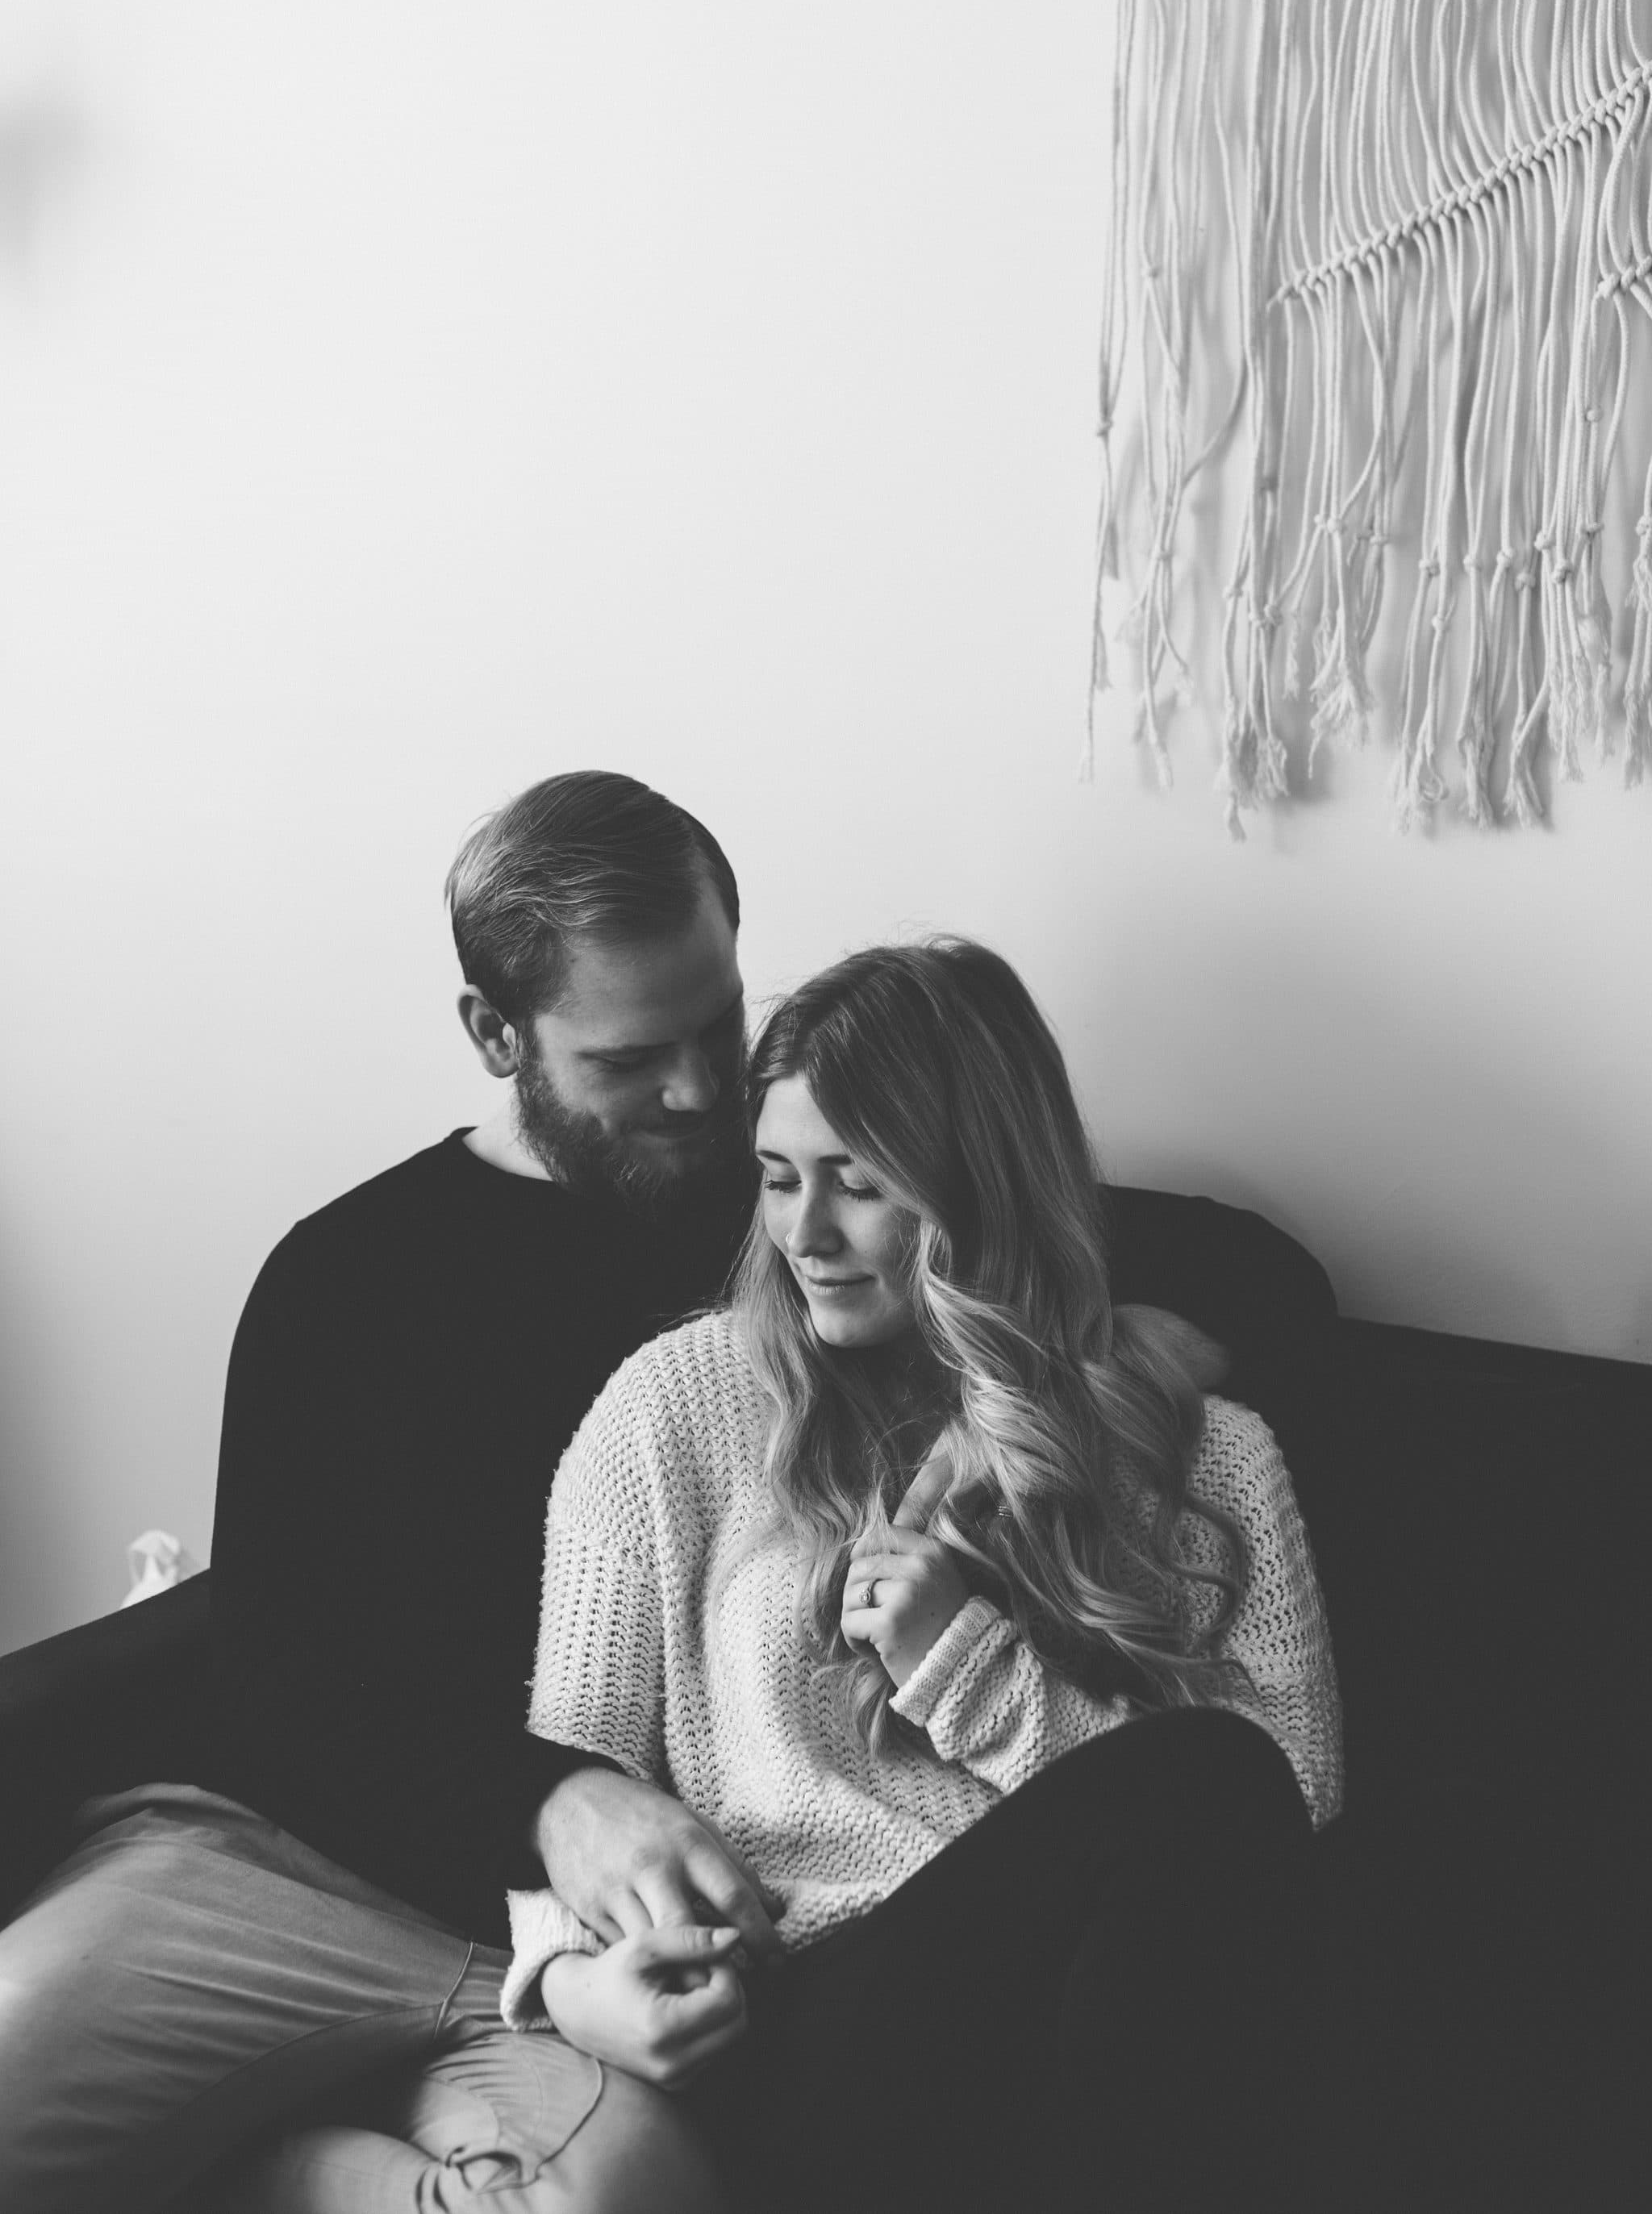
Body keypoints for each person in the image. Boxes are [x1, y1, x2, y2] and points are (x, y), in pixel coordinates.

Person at [282, 939, 1342, 2213]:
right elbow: (574, 1767)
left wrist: (967, 1666)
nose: (805, 1233)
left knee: (1209, 1790)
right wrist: (568, 1983)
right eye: (778, 1179)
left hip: (1081, 2020)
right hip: (792, 2018)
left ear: (980, 1189)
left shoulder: (1210, 1457)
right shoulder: (672, 1411)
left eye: (859, 1186)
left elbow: (1291, 1805)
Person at [0, 770, 784, 2213]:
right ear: (497, 1032)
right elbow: (281, 1680)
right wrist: (555, 1800)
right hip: (276, 1870)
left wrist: (1142, 1345)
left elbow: (1191, 1252)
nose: (697, 1094)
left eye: (719, 1028)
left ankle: (258, 2173)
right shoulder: (347, 1280)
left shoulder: (791, 1208)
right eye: (629, 1060)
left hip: (556, 1954)